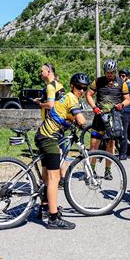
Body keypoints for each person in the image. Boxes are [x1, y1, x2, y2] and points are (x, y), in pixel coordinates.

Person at [34, 73, 90, 229]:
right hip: (49, 138)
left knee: (47, 176)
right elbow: (81, 120)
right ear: (72, 86)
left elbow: (67, 116)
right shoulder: (71, 98)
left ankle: (45, 207)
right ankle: (53, 219)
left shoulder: (65, 98)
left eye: (84, 88)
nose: (82, 91)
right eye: (79, 87)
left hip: (43, 135)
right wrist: (89, 125)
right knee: (54, 177)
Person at [86, 59, 130, 178]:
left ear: (115, 71)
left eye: (112, 72)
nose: (110, 74)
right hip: (99, 116)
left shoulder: (122, 82)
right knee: (94, 143)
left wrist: (122, 105)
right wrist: (94, 107)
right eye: (107, 72)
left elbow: (127, 99)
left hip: (113, 118)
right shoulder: (98, 81)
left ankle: (107, 170)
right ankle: (92, 170)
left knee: (111, 143)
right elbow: (89, 95)